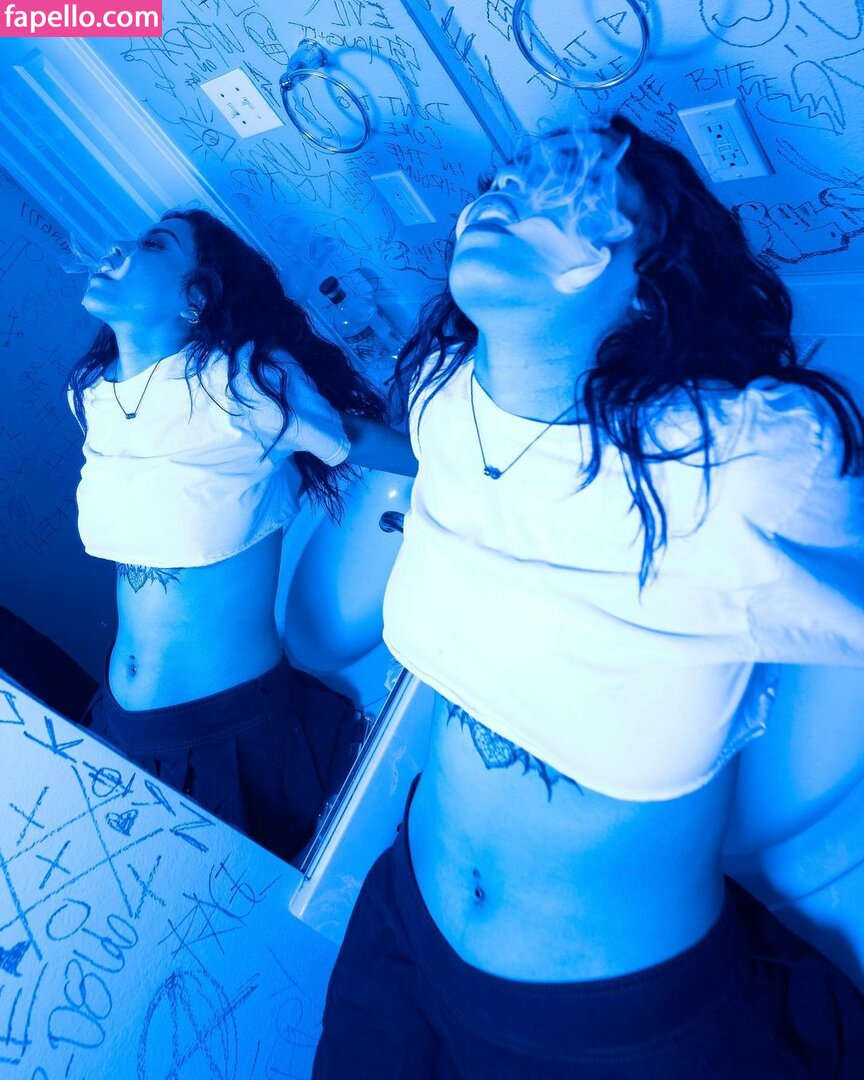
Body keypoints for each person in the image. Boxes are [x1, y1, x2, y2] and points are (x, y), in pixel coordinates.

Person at [312, 115, 864, 1075]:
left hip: (615, 1028)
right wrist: (325, 433)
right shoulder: (442, 391)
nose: (509, 195)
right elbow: (485, 483)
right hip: (401, 933)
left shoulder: (741, 462)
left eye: (574, 190)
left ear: (649, 288)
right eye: (505, 180)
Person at [68, 208, 415, 863]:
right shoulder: (93, 393)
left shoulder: (243, 380)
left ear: (194, 299)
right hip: (121, 722)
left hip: (228, 730)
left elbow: (348, 438)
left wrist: (463, 467)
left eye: (154, 244)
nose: (118, 247)